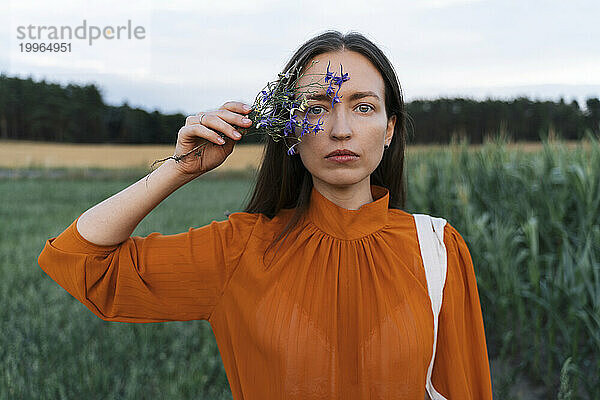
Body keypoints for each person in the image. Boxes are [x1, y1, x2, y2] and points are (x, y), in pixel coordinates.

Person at [37, 30, 493, 399]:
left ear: (389, 128)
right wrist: (179, 170)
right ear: (290, 127)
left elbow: (465, 388)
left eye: (364, 106)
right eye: (316, 108)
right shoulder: (240, 251)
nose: (340, 129)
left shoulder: (437, 248)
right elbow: (82, 261)